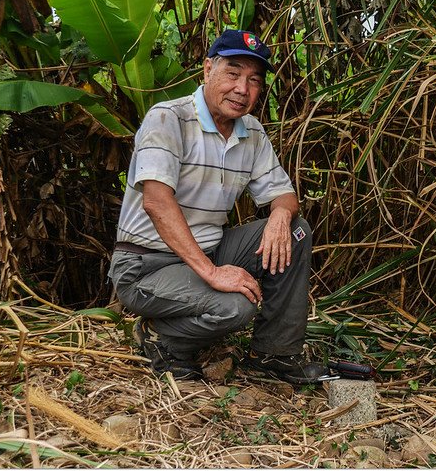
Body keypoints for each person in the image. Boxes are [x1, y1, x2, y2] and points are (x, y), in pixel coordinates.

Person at [108, 29, 329, 384]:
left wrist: (280, 215)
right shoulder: (168, 118)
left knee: (296, 230)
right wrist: (212, 273)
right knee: (235, 306)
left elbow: (284, 196)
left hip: (209, 249)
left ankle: (274, 356)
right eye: (233, 73)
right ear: (207, 69)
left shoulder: (251, 132)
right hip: (146, 265)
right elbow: (157, 202)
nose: (243, 89)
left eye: (254, 80)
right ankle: (161, 339)